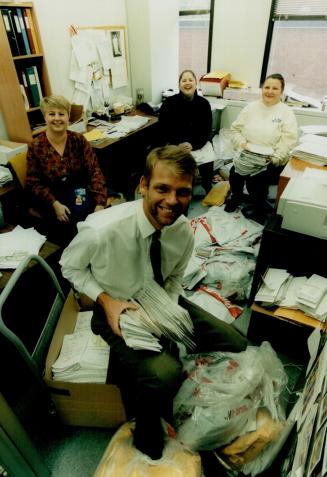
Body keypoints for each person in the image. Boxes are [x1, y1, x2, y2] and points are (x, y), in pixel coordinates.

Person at [60, 144, 247, 461]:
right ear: (143, 186)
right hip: (117, 308)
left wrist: (169, 310)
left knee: (236, 342)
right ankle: (147, 435)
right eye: (162, 188)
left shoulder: (182, 231)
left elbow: (174, 277)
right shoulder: (102, 230)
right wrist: (105, 301)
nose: (172, 201)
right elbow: (69, 266)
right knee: (164, 374)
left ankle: (193, 401)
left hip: (161, 301)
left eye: (183, 192)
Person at [26, 95, 108, 245]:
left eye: (61, 114)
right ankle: (73, 259)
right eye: (52, 114)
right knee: (72, 225)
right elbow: (33, 183)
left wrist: (100, 204)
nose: (57, 118)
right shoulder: (36, 146)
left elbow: (94, 171)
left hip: (78, 190)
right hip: (51, 196)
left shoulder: (78, 140)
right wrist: (54, 204)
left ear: (68, 117)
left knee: (92, 218)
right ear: (45, 117)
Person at [225, 73, 298, 223]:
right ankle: (236, 197)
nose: (270, 91)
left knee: (258, 180)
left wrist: (274, 158)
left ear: (281, 92)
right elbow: (235, 130)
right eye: (267, 87)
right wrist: (242, 144)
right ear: (262, 89)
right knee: (234, 173)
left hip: (270, 158)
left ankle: (259, 207)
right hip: (247, 153)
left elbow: (288, 141)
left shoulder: (286, 112)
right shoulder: (250, 108)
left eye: (275, 88)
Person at [158, 69, 214, 194]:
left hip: (197, 143)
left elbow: (206, 130)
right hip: (175, 144)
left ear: (196, 84)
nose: (187, 83)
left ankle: (207, 185)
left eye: (190, 80)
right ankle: (181, 191)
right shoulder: (169, 103)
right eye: (184, 80)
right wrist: (178, 145)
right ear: (179, 85)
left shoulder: (204, 104)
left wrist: (193, 144)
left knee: (208, 156)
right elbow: (163, 129)